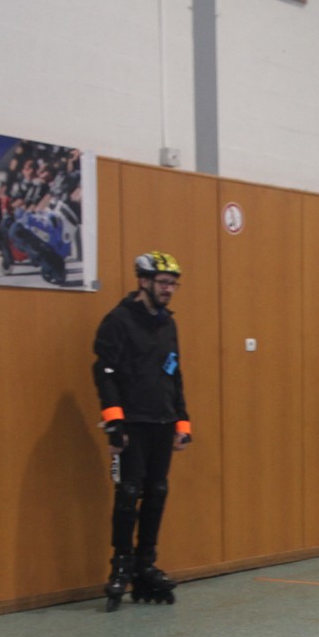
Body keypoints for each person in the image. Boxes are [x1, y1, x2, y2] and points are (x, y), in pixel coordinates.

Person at [93, 251, 193, 610]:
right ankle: (121, 564)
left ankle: (145, 564)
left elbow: (174, 373)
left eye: (173, 284)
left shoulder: (168, 325)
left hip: (162, 422)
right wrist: (114, 422)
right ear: (144, 281)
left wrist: (182, 420)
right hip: (132, 423)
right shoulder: (118, 321)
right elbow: (104, 372)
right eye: (163, 283)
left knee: (157, 492)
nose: (169, 290)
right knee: (128, 493)